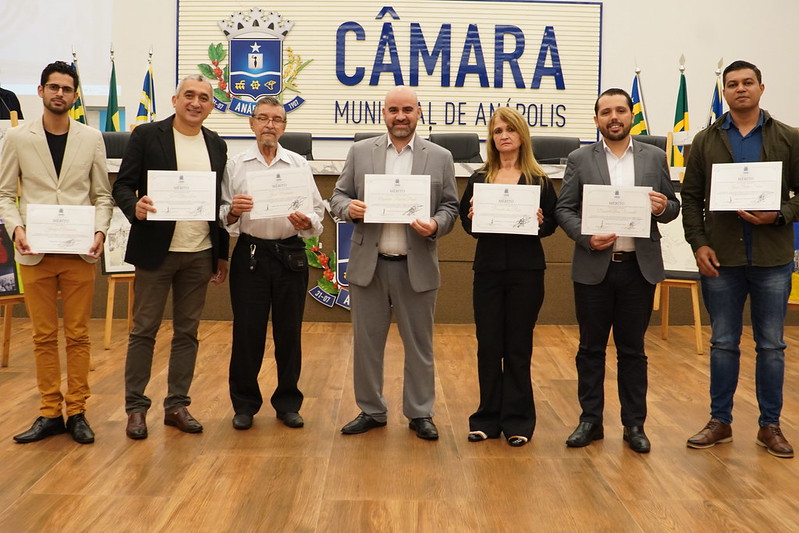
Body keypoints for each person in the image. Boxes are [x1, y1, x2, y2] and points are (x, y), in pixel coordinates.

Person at [682, 60, 799, 458]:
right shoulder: (705, 140)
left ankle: (770, 427)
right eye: (732, 84)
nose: (740, 89)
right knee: (722, 343)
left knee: (771, 346)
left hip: (772, 259)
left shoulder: (789, 137)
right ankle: (721, 421)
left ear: (762, 89)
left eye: (748, 82)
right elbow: (691, 197)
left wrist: (780, 214)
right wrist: (698, 244)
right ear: (725, 92)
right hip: (722, 259)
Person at [330, 86, 458, 440]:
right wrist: (347, 208)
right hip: (369, 265)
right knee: (367, 343)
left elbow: (450, 206)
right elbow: (338, 195)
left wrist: (436, 225)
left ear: (419, 112)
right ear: (383, 114)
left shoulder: (440, 156)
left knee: (420, 344)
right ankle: (371, 410)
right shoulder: (360, 152)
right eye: (393, 110)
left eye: (407, 110)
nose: (400, 116)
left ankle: (420, 412)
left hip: (415, 265)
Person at [555, 88, 679, 453]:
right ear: (596, 120)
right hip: (594, 266)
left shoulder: (655, 157)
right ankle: (590, 421)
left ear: (630, 116)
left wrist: (661, 208)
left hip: (637, 269)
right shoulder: (580, 158)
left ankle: (634, 424)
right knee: (590, 349)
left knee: (633, 351)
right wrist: (584, 237)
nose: (614, 117)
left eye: (620, 111)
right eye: (606, 111)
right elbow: (565, 209)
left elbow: (673, 206)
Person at [0, 61, 113, 444]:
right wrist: (15, 228)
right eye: (53, 87)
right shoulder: (18, 138)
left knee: (79, 335)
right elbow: (3, 194)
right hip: (33, 250)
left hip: (80, 250)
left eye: (66, 88)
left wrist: (100, 231)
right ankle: (49, 411)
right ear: (41, 91)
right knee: (44, 336)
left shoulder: (92, 138)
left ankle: (77, 410)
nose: (59, 94)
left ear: (76, 95)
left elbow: (102, 195)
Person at [113, 75, 229, 440]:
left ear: (212, 106)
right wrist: (137, 206)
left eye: (205, 98)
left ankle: (176, 404)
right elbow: (121, 184)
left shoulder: (216, 144)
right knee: (143, 329)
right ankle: (135, 408)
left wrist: (221, 255)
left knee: (187, 332)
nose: (196, 103)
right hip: (155, 252)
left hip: (199, 252)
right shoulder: (148, 136)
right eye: (190, 96)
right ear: (175, 99)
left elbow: (219, 203)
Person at [220, 96, 324, 430]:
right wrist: (234, 210)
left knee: (289, 333)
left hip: (290, 253)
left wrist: (305, 222)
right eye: (263, 118)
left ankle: (288, 402)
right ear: (251, 123)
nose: (269, 125)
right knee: (247, 332)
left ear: (284, 127)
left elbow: (318, 214)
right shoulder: (236, 165)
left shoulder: (298, 165)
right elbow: (223, 216)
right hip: (250, 253)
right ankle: (245, 404)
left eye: (277, 120)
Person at [458, 107, 557, 447]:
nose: (504, 136)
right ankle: (486, 418)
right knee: (488, 346)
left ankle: (518, 421)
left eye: (510, 130)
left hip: (526, 274)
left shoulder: (539, 180)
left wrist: (541, 221)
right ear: (492, 138)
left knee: (517, 346)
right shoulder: (479, 179)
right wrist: (472, 216)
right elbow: (468, 225)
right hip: (487, 272)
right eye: (498, 131)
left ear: (521, 137)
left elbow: (551, 225)